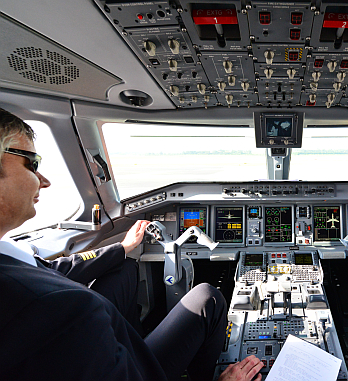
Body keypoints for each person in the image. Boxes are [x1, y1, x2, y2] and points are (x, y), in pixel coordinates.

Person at [0, 108, 263, 381]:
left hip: (109, 345)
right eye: (31, 163)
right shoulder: (67, 309)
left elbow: (57, 269)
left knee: (124, 269)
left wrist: (122, 248)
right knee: (208, 297)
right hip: (129, 368)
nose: (44, 181)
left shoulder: (14, 261)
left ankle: (144, 342)